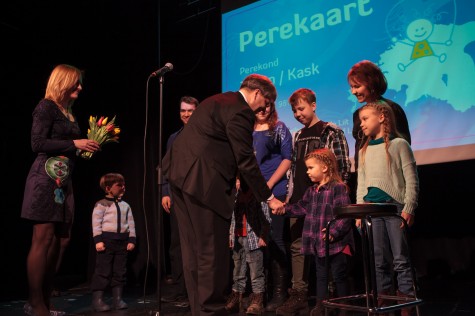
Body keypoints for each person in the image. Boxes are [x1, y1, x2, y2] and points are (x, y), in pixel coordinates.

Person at [162, 73, 285, 316]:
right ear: (258, 93)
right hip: (204, 184)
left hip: (179, 177)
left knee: (192, 251)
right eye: (267, 102)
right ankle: (210, 310)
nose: (266, 108)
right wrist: (269, 198)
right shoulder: (240, 110)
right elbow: (245, 160)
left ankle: (199, 309)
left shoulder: (217, 100)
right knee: (211, 251)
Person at [21, 64, 100, 316]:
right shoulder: (46, 107)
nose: (80, 87)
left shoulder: (67, 112)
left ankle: (45, 299)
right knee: (42, 240)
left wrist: (80, 149)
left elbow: (65, 146)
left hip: (63, 182)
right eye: (75, 82)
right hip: (44, 179)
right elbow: (37, 143)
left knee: (61, 240)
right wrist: (74, 143)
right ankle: (35, 304)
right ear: (62, 82)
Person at [276, 88, 351, 316]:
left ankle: (331, 298)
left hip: (325, 202)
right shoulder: (297, 135)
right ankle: (300, 294)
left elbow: (342, 168)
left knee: (327, 250)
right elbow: (293, 170)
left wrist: (337, 195)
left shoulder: (330, 131)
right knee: (298, 247)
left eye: (301, 108)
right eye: (294, 110)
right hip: (301, 198)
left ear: (313, 105)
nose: (298, 113)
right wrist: (289, 200)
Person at [356, 101, 419, 316]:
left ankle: (406, 305)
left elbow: (411, 180)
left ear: (381, 117)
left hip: (394, 211)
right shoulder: (363, 150)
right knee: (379, 260)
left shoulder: (399, 144)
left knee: (400, 260)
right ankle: (384, 305)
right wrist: (359, 213)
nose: (361, 124)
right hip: (372, 212)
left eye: (365, 119)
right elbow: (361, 184)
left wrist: (408, 207)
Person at [274, 148, 354, 316]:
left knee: (339, 275)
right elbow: (301, 207)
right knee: (321, 275)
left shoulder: (337, 188)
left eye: (311, 168)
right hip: (319, 243)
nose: (308, 172)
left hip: (336, 243)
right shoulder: (312, 191)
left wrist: (333, 231)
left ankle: (344, 307)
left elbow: (345, 216)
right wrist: (284, 209)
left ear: (324, 167)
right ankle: (321, 304)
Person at [252, 100, 293, 311]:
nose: (262, 109)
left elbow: (287, 158)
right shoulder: (247, 129)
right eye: (260, 105)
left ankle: (280, 292)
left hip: (274, 191)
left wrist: (267, 185)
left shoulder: (279, 128)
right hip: (252, 194)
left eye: (267, 105)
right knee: (256, 243)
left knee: (276, 239)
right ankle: (261, 291)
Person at [161, 96, 199, 305]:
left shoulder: (204, 135)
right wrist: (165, 192)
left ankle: (194, 290)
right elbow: (166, 167)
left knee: (194, 244)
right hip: (176, 197)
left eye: (190, 111)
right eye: (183, 110)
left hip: (195, 197)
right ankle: (180, 289)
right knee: (176, 244)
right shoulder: (173, 138)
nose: (186, 114)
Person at [347, 60, 411, 171]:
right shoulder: (357, 114)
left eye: (357, 86)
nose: (353, 92)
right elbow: (359, 149)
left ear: (371, 83)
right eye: (351, 87)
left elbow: (403, 147)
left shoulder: (391, 109)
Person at [90, 173, 136, 312]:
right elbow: (96, 223)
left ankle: (117, 299)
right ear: (108, 188)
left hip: (122, 243)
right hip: (107, 242)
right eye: (119, 185)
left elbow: (131, 224)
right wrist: (98, 240)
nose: (123, 187)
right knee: (103, 271)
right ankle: (97, 300)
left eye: (124, 185)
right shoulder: (101, 204)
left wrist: (132, 239)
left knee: (119, 271)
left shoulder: (125, 205)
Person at [225, 178, 272, 315]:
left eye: (240, 180)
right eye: (237, 180)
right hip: (238, 238)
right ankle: (237, 296)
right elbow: (232, 220)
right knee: (238, 269)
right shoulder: (235, 197)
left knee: (256, 271)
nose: (238, 183)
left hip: (253, 239)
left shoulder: (257, 196)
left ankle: (257, 299)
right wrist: (230, 236)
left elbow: (266, 218)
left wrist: (263, 235)